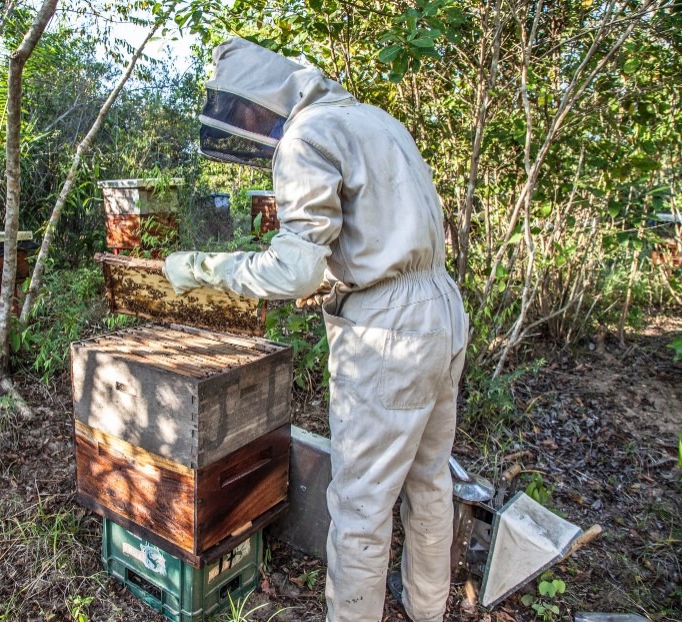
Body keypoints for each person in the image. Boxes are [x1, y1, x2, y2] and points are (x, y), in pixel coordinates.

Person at [163, 37, 468, 622]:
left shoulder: (305, 135)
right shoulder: (374, 120)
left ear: (262, 98)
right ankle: (429, 609)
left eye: (243, 112)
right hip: (441, 310)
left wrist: (199, 268)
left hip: (388, 332)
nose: (245, 127)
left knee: (361, 506)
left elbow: (295, 269)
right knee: (429, 481)